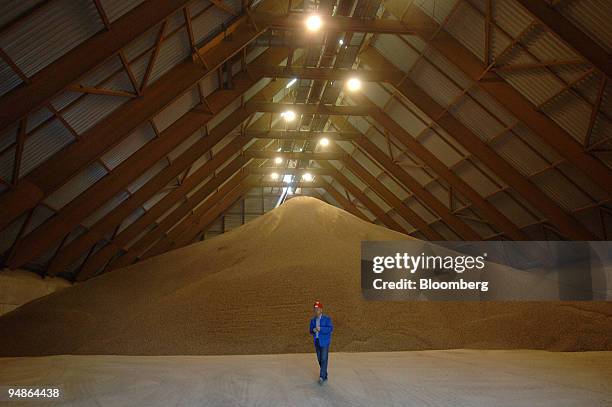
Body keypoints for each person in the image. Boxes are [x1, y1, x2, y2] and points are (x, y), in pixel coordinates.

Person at [309, 301, 333, 384]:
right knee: (320, 359)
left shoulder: (327, 319)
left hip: (325, 342)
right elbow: (310, 331)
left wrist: (321, 329)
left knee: (323, 358)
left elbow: (330, 329)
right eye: (315, 309)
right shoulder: (312, 320)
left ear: (321, 310)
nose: (317, 311)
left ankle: (322, 377)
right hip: (317, 341)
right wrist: (313, 330)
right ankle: (325, 374)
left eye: (318, 309)